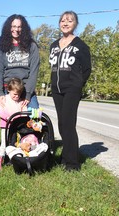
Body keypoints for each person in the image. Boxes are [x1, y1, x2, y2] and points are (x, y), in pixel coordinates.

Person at [49, 11, 91, 171]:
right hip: (56, 89)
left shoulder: (80, 45)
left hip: (72, 89)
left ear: (75, 24)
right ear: (59, 23)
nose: (65, 23)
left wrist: (77, 83)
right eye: (63, 20)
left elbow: (87, 69)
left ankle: (72, 163)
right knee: (61, 123)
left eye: (70, 20)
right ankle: (66, 157)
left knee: (68, 123)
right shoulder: (54, 45)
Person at [0, 14, 40, 110]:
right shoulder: (1, 48)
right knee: (10, 122)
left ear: (23, 29)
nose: (17, 29)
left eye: (19, 27)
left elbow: (34, 71)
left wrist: (28, 94)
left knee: (35, 119)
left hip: (26, 90)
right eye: (14, 26)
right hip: (9, 90)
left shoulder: (32, 46)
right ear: (8, 28)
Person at [0, 77, 27, 171]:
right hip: (6, 126)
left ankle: (15, 160)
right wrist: (8, 117)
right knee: (4, 144)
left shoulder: (21, 101)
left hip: (16, 127)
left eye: (19, 94)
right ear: (9, 90)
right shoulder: (4, 99)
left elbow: (24, 112)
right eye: (15, 94)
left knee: (15, 143)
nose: (17, 97)